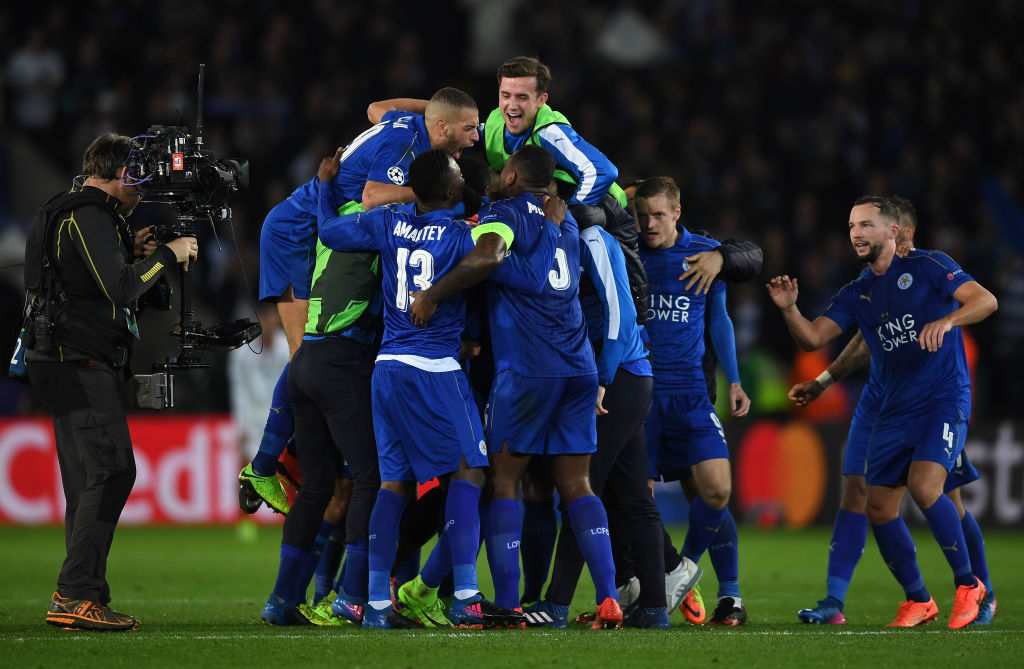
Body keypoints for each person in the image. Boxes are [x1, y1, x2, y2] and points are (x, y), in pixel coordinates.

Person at [317, 148, 547, 630]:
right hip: (435, 368)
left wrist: (324, 187)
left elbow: (330, 232)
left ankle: (376, 605)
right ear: (449, 190)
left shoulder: (387, 221)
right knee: (470, 473)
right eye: (459, 174)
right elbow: (493, 259)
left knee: (394, 484)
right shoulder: (462, 235)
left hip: (387, 368)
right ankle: (465, 595)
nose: (463, 178)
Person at [241, 86, 481, 514]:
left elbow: (375, 107)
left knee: (317, 358)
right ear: (442, 128)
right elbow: (373, 197)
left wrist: (434, 110)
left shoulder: (408, 124)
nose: (476, 137)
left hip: (317, 232)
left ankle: (287, 462)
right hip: (299, 236)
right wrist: (435, 192)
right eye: (469, 128)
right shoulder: (408, 143)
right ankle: (267, 465)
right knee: (306, 356)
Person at [766, 196, 998, 629]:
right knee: (877, 504)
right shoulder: (859, 292)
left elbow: (986, 301)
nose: (856, 233)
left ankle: (972, 585)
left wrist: (948, 322)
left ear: (895, 232)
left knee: (930, 488)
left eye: (866, 225)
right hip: (891, 407)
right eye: (852, 226)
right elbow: (816, 339)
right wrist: (789, 309)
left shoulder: (929, 266)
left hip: (942, 400)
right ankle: (918, 600)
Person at [22, 132, 197, 632]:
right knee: (113, 470)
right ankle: (75, 593)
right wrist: (167, 254)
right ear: (121, 173)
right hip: (77, 359)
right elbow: (121, 288)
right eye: (139, 178)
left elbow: (80, 278)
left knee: (87, 481)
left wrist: (130, 247)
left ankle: (83, 594)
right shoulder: (90, 215)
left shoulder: (70, 207)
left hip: (57, 359)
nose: (142, 189)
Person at [446, 144, 624, 630]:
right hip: (578, 368)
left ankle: (508, 602)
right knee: (577, 484)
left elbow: (508, 271)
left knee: (504, 481)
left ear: (511, 177)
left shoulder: (503, 216)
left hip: (527, 368)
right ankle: (608, 597)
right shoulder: (566, 222)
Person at [635, 176, 753, 627]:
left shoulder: (705, 253)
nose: (649, 224)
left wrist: (735, 380)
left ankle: (707, 584)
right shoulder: (628, 250)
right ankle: (651, 585)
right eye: (643, 215)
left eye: (658, 215)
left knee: (716, 490)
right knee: (640, 503)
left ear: (676, 213)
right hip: (642, 395)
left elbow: (719, 319)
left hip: (691, 393)